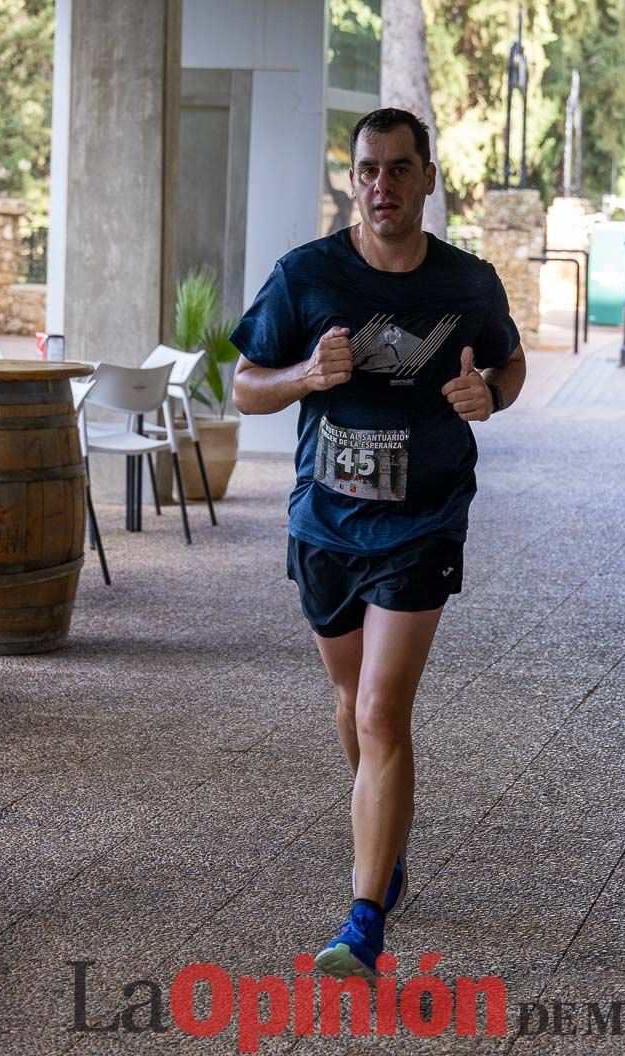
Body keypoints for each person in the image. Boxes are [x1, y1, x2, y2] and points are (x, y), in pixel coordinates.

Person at [230, 107, 526, 984]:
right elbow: (245, 387)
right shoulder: (306, 275)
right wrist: (303, 377)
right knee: (349, 698)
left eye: (400, 169)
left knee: (379, 711)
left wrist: (492, 397)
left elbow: (507, 364)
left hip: (422, 519)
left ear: (428, 179)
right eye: (367, 169)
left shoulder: (468, 284)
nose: (382, 186)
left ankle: (364, 919)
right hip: (325, 523)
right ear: (350, 175)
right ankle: (384, 841)